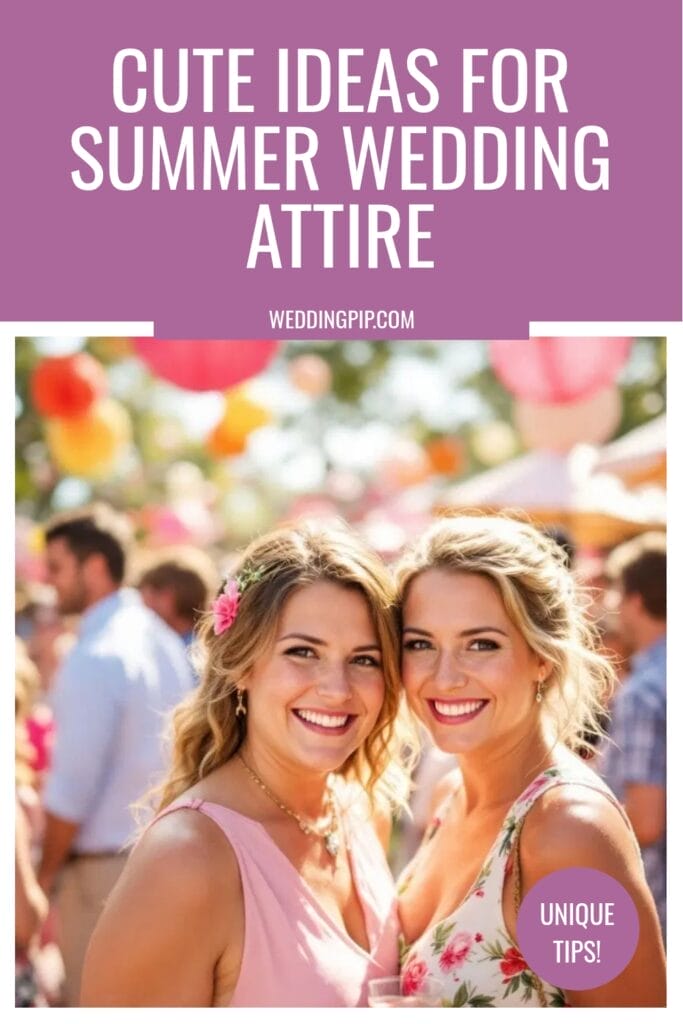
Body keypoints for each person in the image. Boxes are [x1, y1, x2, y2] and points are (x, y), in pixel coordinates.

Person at [81, 521, 412, 1007]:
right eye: (303, 652)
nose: (337, 689)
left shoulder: (360, 811)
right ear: (241, 666)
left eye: (364, 659)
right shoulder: (188, 859)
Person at [394, 515, 665, 1008]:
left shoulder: (565, 835)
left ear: (542, 656)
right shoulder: (448, 795)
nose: (445, 676)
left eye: (482, 644)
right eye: (420, 644)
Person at [39, 504, 194, 1006]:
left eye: (58, 568)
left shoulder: (97, 653)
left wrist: (43, 877)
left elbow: (71, 791)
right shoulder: (160, 638)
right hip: (163, 861)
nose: (49, 581)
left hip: (103, 875)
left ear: (95, 568)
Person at [599, 532, 666, 938]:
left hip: (656, 899)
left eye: (617, 596)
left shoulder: (643, 692)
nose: (613, 608)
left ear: (636, 600)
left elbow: (645, 822)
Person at [136, 546, 218, 650]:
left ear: (168, 597)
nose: (141, 604)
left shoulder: (183, 653)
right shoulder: (203, 647)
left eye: (147, 595)